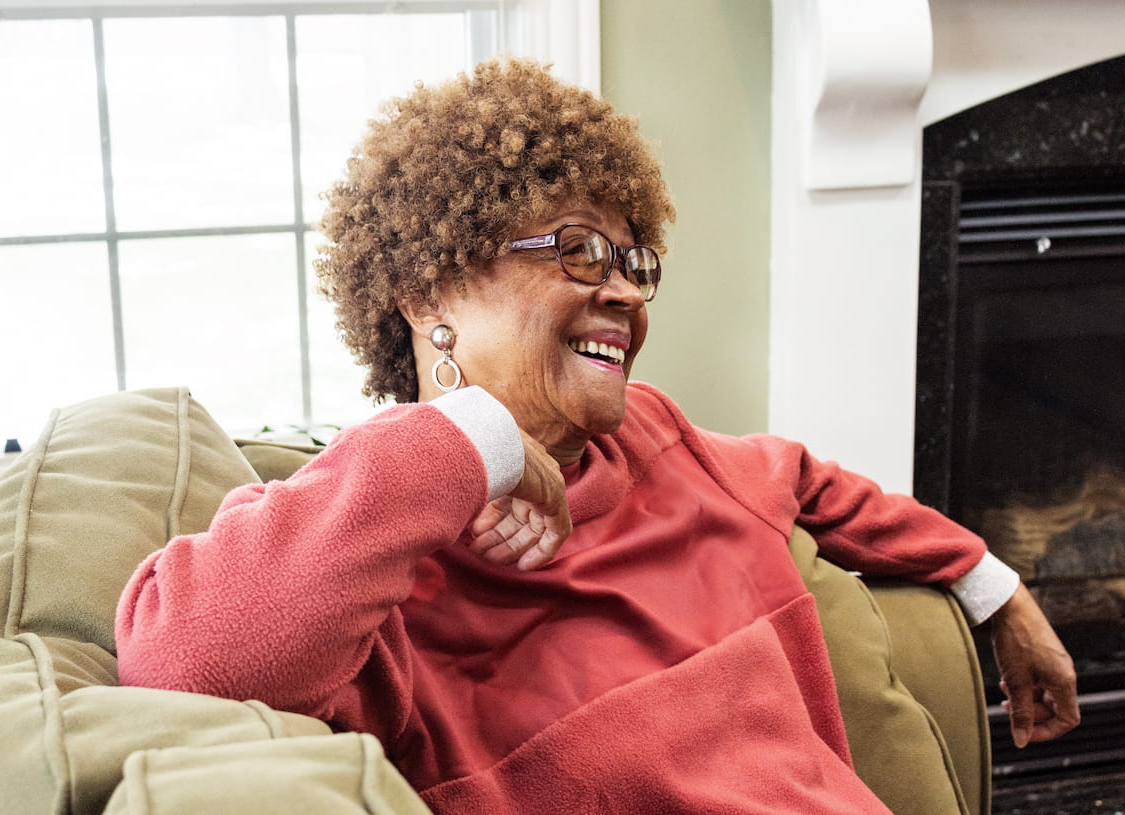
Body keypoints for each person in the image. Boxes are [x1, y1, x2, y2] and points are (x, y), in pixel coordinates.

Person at [115, 57, 1079, 813]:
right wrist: (478, 437)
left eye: (631, 259)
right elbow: (190, 663)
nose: (620, 287)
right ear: (428, 290)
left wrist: (997, 592)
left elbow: (812, 483)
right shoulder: (362, 538)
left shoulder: (661, 441)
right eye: (576, 249)